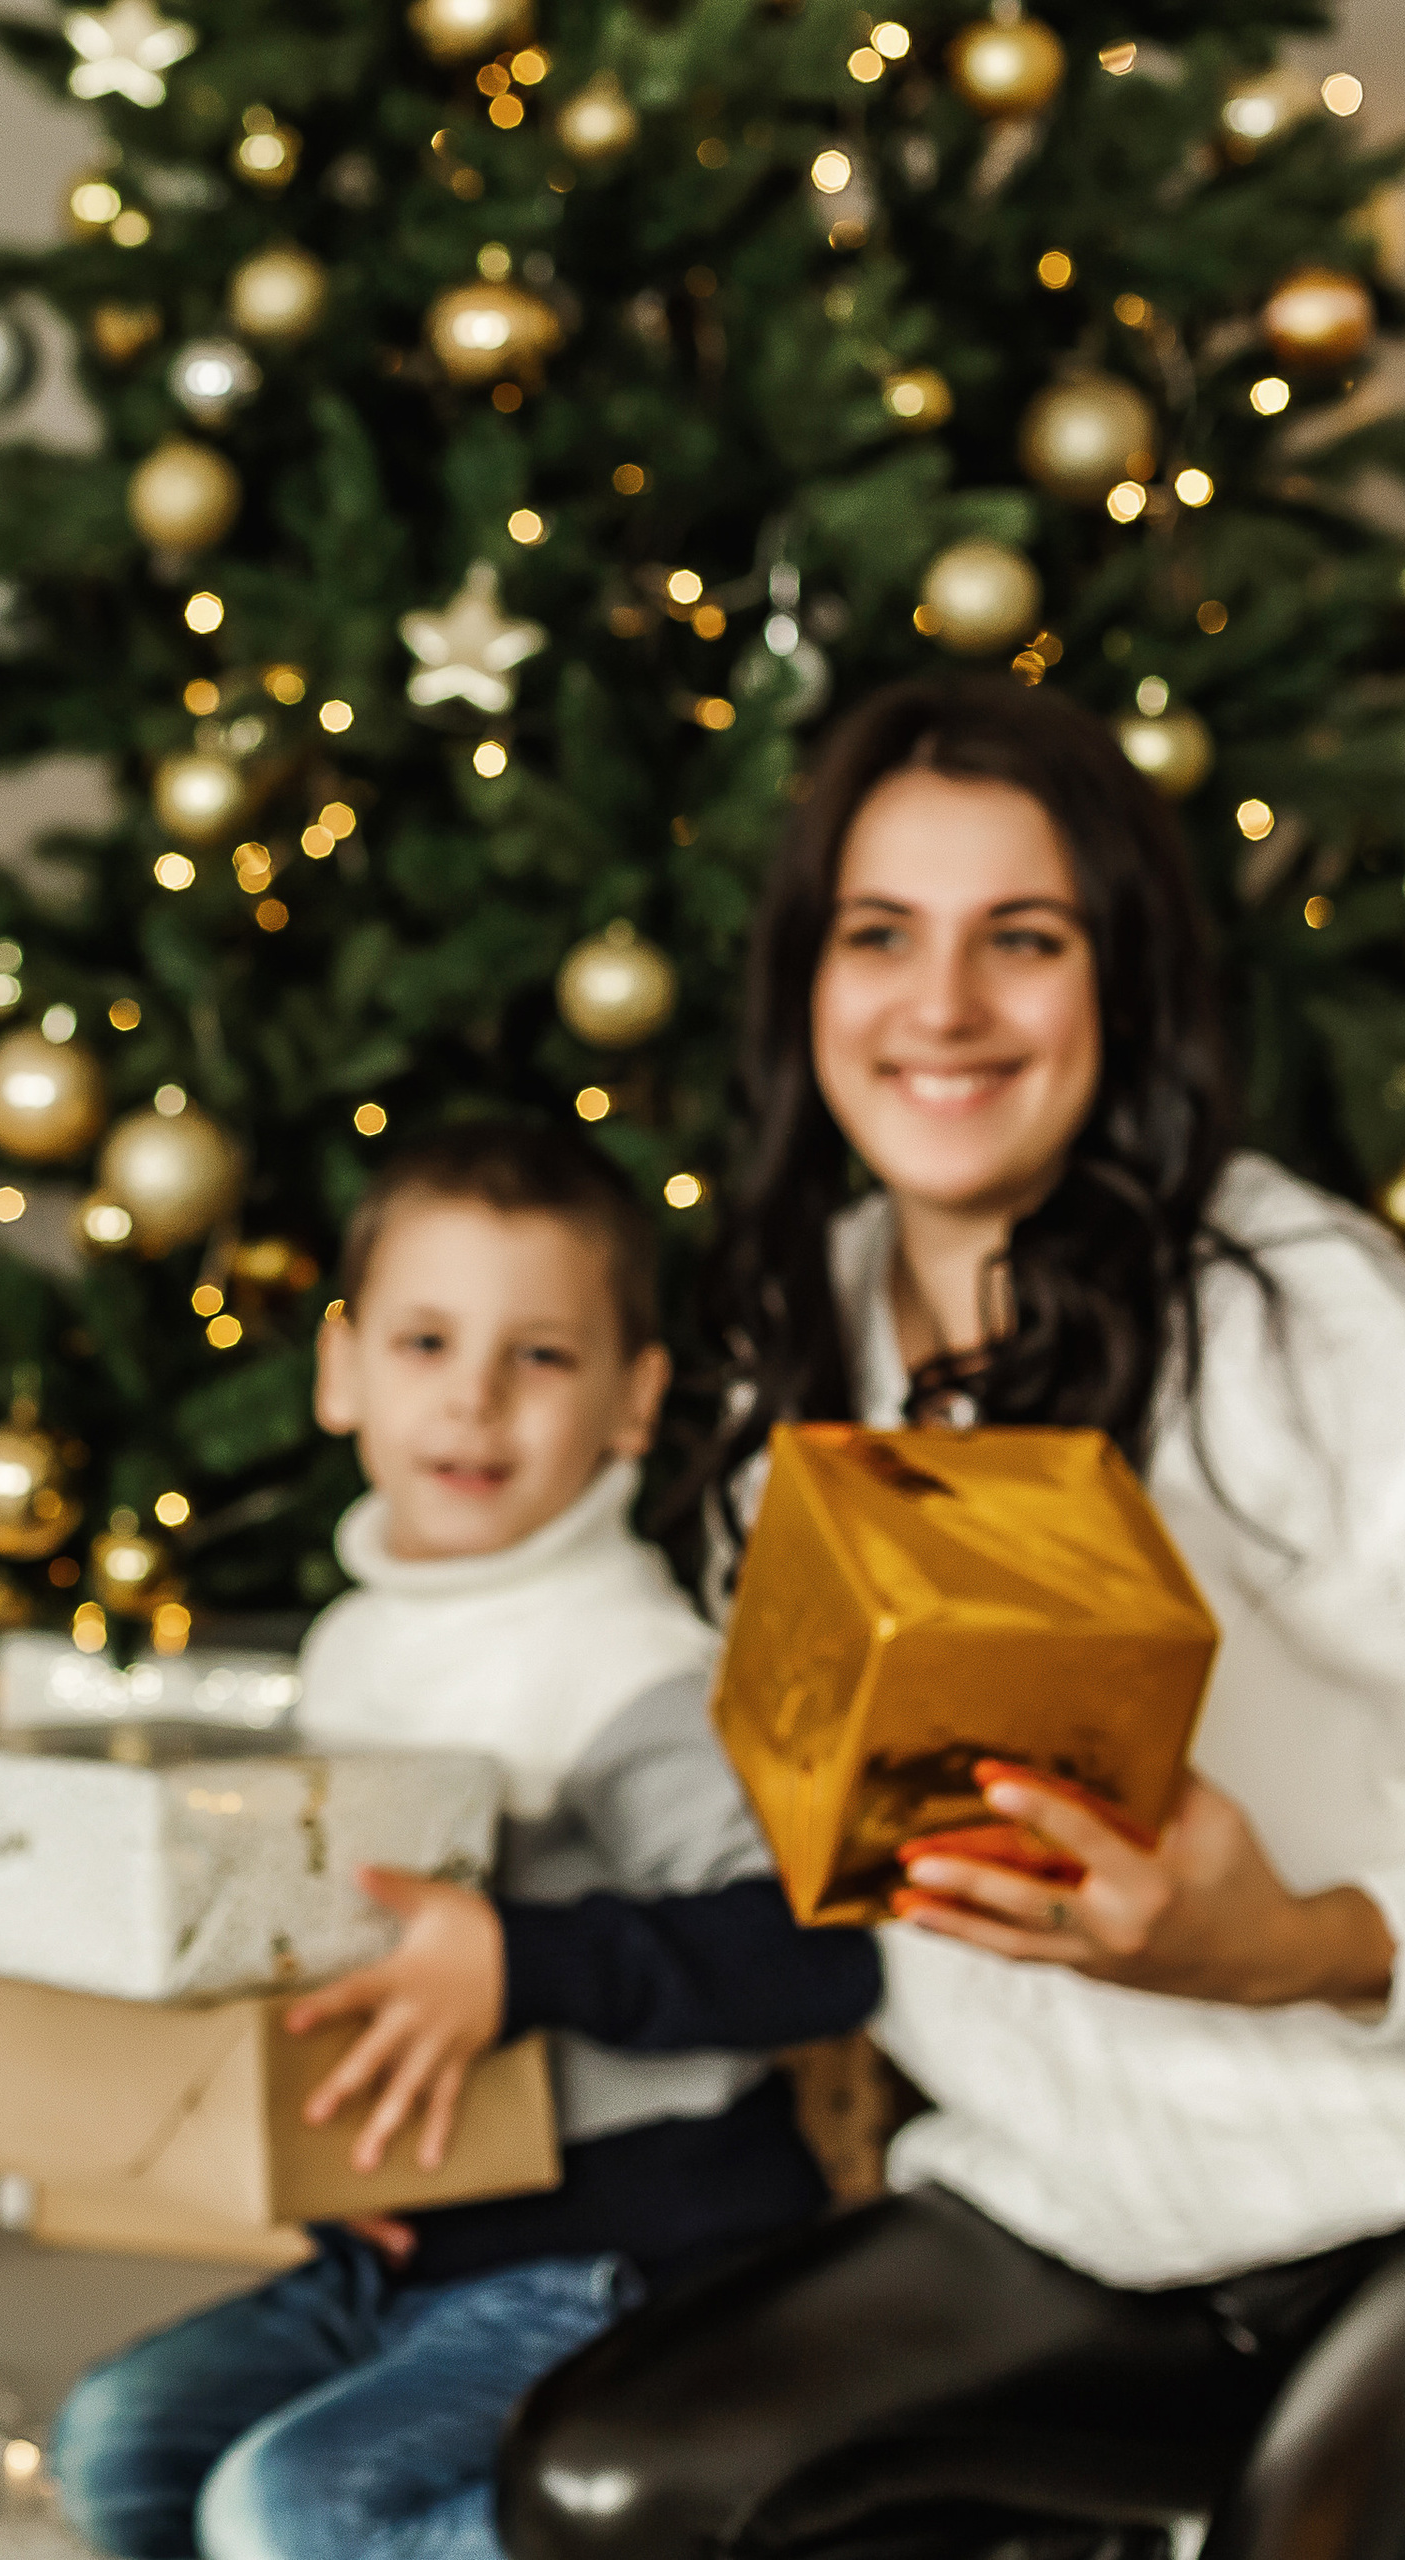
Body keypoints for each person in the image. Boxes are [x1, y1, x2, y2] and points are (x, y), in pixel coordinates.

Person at [498, 678, 1405, 2560]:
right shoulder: (791, 1343)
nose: (944, 1008)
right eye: (882, 935)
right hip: (1057, 2206)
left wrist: (1303, 1941)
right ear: (807, 984)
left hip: (1377, 2182)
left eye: (1027, 940)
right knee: (600, 2490)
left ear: (1122, 984)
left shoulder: (1299, 1309)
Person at [53, 1122, 879, 2560]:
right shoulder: (358, 1646)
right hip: (408, 2236)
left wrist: (523, 1963)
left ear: (635, 1403)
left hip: (623, 2250)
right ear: (341, 1370)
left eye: (541, 1358)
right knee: (122, 2441)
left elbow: (812, 1951)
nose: (474, 1402)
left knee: (290, 2509)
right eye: (426, 1342)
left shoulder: (627, 1667)